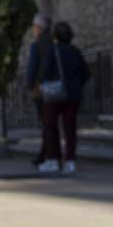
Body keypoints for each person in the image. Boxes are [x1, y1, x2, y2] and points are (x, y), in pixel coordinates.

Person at [35, 21, 90, 174]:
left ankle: (52, 159)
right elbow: (86, 73)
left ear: (55, 36)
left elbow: (44, 71)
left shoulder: (53, 51)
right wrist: (76, 85)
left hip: (55, 94)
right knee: (70, 128)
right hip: (73, 96)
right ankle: (70, 161)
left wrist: (42, 84)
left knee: (50, 127)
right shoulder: (75, 51)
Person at [25, 13, 53, 166]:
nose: (33, 30)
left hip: (41, 90)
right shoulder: (54, 42)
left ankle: (46, 155)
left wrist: (30, 85)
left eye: (34, 27)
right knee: (51, 124)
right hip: (57, 90)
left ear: (39, 27)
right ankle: (48, 154)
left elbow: (33, 68)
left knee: (46, 124)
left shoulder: (37, 45)